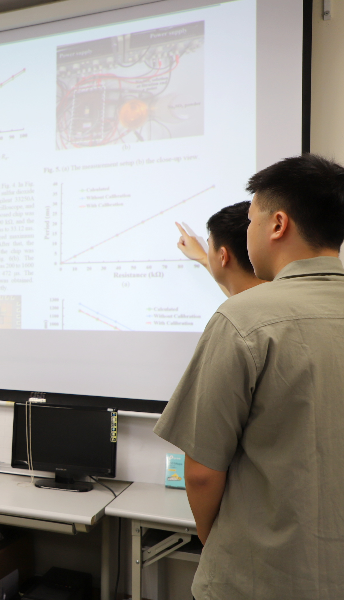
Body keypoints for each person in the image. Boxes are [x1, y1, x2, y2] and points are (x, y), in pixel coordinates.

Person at [155, 154, 344, 600]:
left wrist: (214, 543)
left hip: (259, 578)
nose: (247, 232)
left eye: (251, 219)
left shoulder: (242, 320)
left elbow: (201, 472)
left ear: (277, 225)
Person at [175, 201, 266, 297]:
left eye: (209, 244)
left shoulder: (236, 310)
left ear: (223, 256)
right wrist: (203, 258)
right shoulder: (275, 294)